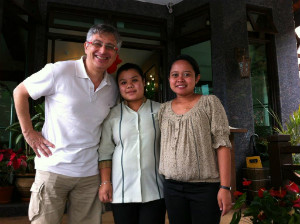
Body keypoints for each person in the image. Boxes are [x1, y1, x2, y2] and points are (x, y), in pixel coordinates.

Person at [13, 24, 121, 224]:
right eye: (97, 44)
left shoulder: (113, 87)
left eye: (110, 46)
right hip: (53, 168)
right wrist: (28, 133)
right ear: (86, 46)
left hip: (90, 175)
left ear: (116, 53)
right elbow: (20, 92)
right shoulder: (59, 71)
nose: (103, 50)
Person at [158, 54, 232, 224]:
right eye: (175, 75)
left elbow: (222, 145)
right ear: (169, 78)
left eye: (187, 74)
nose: (180, 79)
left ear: (197, 78)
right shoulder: (163, 110)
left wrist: (225, 187)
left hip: (205, 188)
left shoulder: (210, 103)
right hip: (172, 188)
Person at [98, 63, 165, 224]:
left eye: (134, 80)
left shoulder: (161, 111)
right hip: (122, 192)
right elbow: (105, 152)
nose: (129, 86)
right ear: (119, 87)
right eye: (123, 82)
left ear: (143, 81)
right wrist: (105, 182)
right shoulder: (112, 115)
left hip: (155, 189)